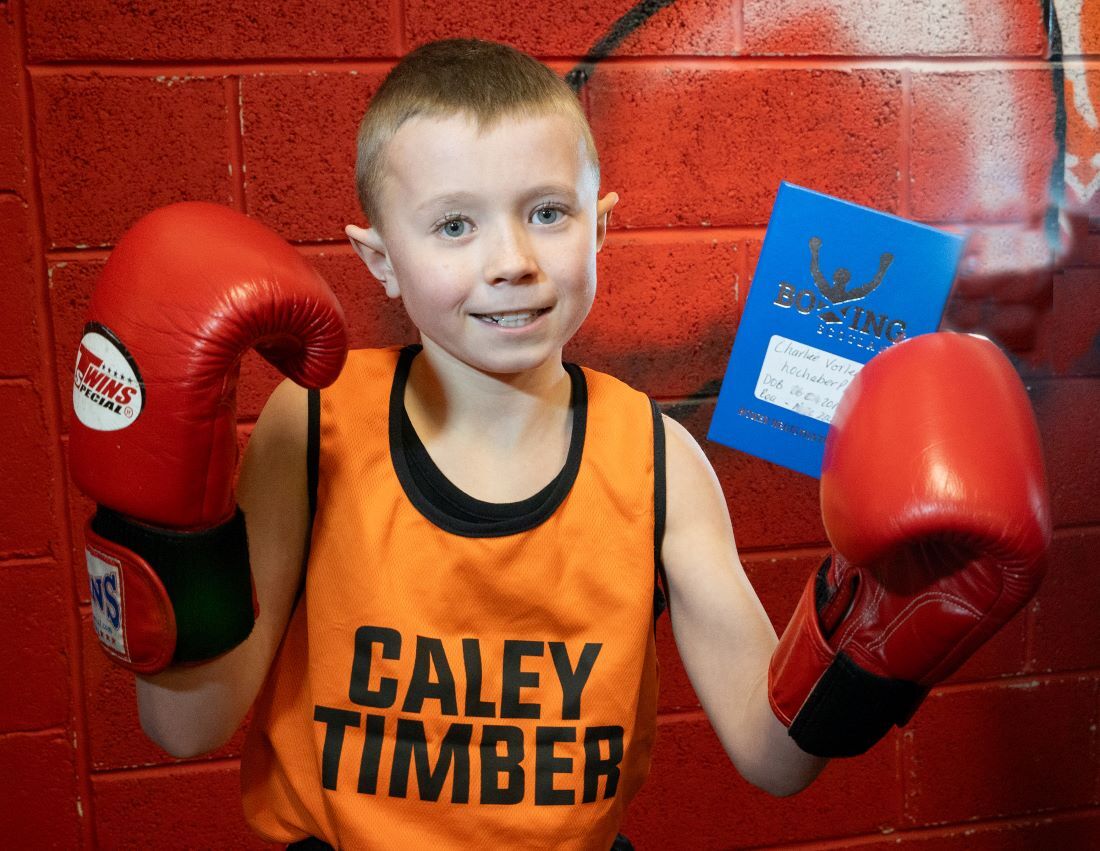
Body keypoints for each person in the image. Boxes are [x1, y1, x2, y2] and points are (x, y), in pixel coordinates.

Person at [69, 39, 1050, 850]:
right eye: (453, 225)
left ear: (598, 228)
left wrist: (876, 630)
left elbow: (770, 753)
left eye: (546, 212)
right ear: (384, 262)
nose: (511, 261)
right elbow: (185, 723)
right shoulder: (314, 422)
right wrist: (164, 526)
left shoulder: (656, 460)